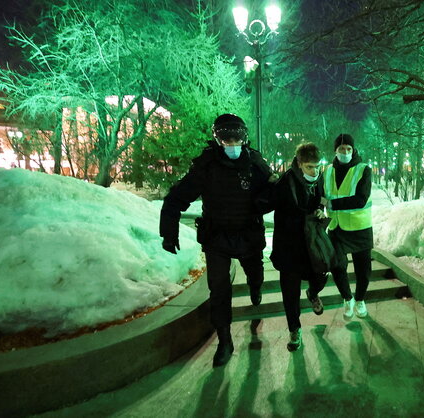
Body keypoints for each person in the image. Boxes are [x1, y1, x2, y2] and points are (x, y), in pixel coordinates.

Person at [159, 113, 274, 367]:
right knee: (219, 290)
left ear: (244, 138)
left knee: (255, 274)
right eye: (226, 138)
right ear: (218, 139)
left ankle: (256, 288)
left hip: (248, 234)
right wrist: (169, 232)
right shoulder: (206, 166)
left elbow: (277, 191)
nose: (232, 144)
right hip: (217, 237)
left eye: (236, 138)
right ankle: (224, 340)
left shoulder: (255, 162)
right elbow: (177, 196)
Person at [270, 142, 329, 351]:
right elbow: (269, 202)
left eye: (317, 166)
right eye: (310, 167)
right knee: (290, 290)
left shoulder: (319, 178)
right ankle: (294, 329)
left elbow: (322, 197)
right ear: (299, 163)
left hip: (311, 242)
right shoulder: (286, 182)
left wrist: (321, 209)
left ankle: (313, 293)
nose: (315, 171)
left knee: (322, 275)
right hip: (289, 245)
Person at [324, 134, 374, 320]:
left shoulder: (363, 170)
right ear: (335, 151)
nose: (345, 152)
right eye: (341, 149)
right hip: (336, 228)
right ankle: (347, 298)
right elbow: (319, 194)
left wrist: (331, 204)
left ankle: (360, 300)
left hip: (360, 227)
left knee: (363, 269)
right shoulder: (327, 171)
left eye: (348, 149)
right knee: (337, 265)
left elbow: (361, 199)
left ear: (353, 150)